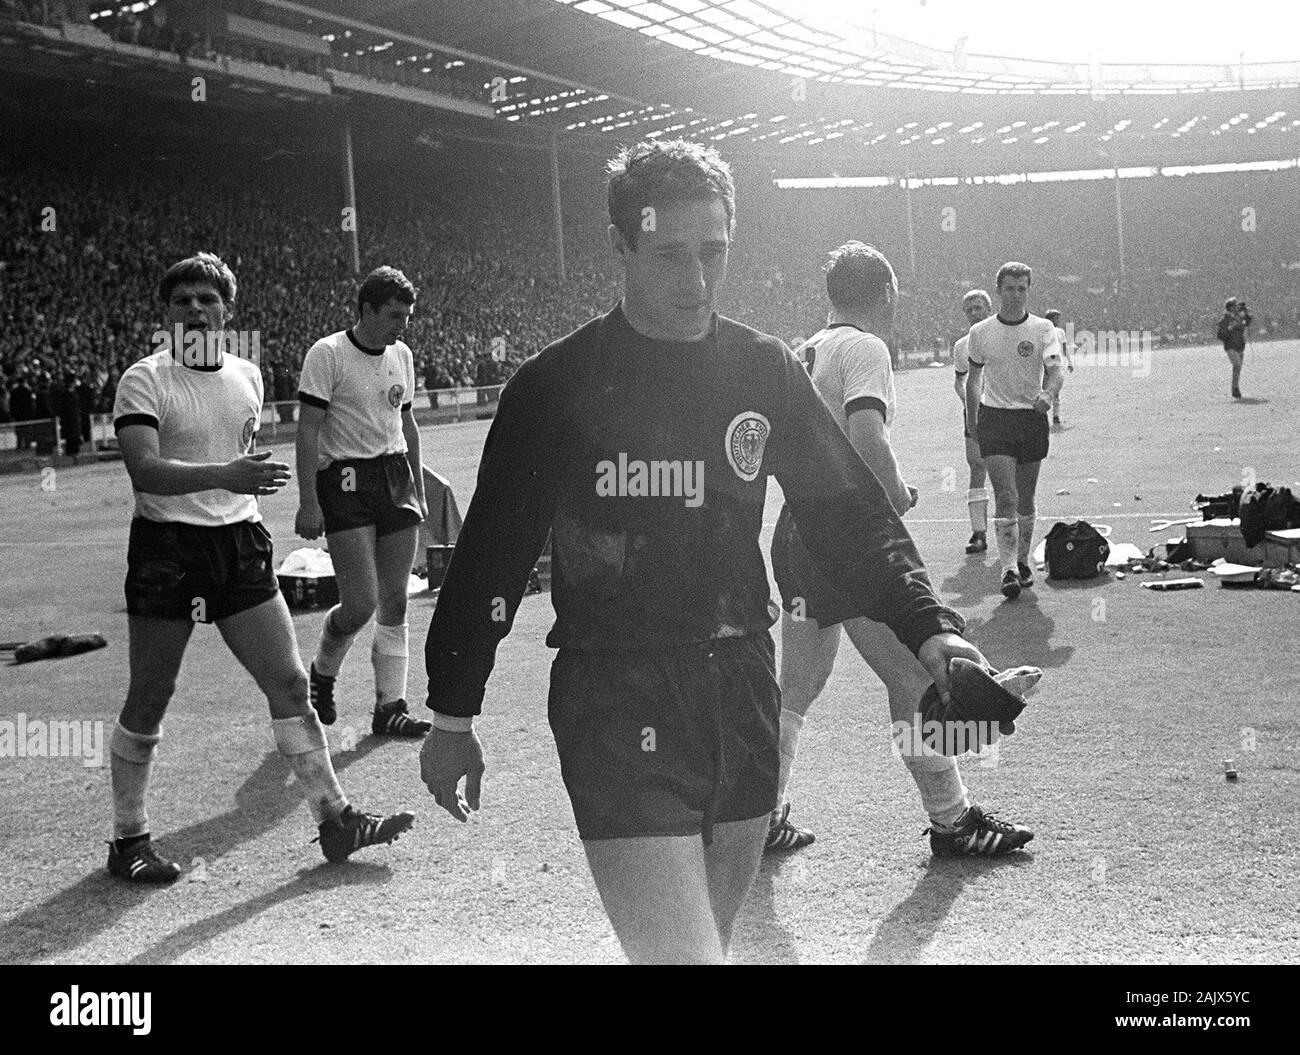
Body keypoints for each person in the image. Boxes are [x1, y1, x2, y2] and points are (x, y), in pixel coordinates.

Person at [419, 139, 995, 964]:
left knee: (704, 953)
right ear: (620, 245)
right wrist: (452, 713)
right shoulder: (555, 388)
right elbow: (491, 559)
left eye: (713, 254)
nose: (694, 281)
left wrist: (930, 627)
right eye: (669, 255)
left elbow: (849, 513)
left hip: (740, 696)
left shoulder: (760, 368)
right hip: (615, 699)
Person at [109, 251, 413, 883]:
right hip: (169, 549)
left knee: (291, 685)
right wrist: (230, 474)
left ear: (228, 309)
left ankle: (336, 817)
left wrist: (245, 484)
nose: (195, 308)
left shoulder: (246, 375)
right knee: (152, 692)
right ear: (165, 314)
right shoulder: (145, 379)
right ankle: (128, 838)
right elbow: (145, 469)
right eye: (182, 300)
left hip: (240, 544)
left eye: (207, 299)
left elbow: (242, 458)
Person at [766, 245, 1033, 857]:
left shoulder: (807, 348)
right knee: (912, 672)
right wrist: (893, 493)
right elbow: (865, 430)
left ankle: (764, 814)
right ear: (886, 292)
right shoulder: (866, 348)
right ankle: (953, 820)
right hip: (848, 535)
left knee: (797, 689)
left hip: (797, 533)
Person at [295, 266, 430, 738]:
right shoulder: (328, 354)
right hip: (345, 479)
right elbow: (308, 430)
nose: (403, 325)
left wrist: (418, 487)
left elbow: (406, 424)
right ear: (367, 310)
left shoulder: (403, 355)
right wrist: (308, 501)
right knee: (360, 604)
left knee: (396, 601)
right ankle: (323, 671)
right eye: (394, 315)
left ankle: (389, 707)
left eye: (408, 316)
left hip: (394, 477)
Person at [965, 262, 1064, 600]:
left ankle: (1022, 560)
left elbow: (1056, 368)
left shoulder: (1043, 328)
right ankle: (1007, 570)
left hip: (1030, 419)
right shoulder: (981, 333)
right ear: (999, 290)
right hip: (995, 418)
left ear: (1029, 290)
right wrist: (972, 420)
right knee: (1005, 495)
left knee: (1026, 497)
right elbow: (974, 378)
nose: (1016, 294)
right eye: (1010, 288)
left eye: (1023, 288)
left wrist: (1048, 394)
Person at [952, 290, 992, 554]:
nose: (974, 313)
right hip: (975, 413)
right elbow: (959, 379)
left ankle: (1013, 535)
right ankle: (978, 533)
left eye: (978, 308)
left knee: (1010, 473)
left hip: (1005, 410)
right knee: (977, 467)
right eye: (969, 310)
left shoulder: (1002, 336)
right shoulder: (961, 346)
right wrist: (967, 401)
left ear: (988, 308)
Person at [1042, 309, 1073, 425]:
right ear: (1050, 319)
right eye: (1056, 318)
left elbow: (1064, 348)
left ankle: (1055, 416)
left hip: (1056, 360)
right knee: (1045, 389)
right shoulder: (1044, 331)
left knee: (1055, 390)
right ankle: (1044, 415)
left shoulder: (1060, 332)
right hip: (1047, 360)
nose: (1058, 320)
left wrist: (1069, 361)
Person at [1216, 297, 1251, 399]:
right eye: (1235, 305)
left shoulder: (1239, 317)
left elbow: (1246, 323)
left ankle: (1235, 387)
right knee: (1237, 365)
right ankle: (1235, 388)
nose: (1237, 307)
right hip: (1230, 346)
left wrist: (1246, 314)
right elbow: (1220, 335)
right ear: (1230, 307)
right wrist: (1229, 328)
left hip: (1240, 345)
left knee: (1237, 368)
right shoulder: (1224, 320)